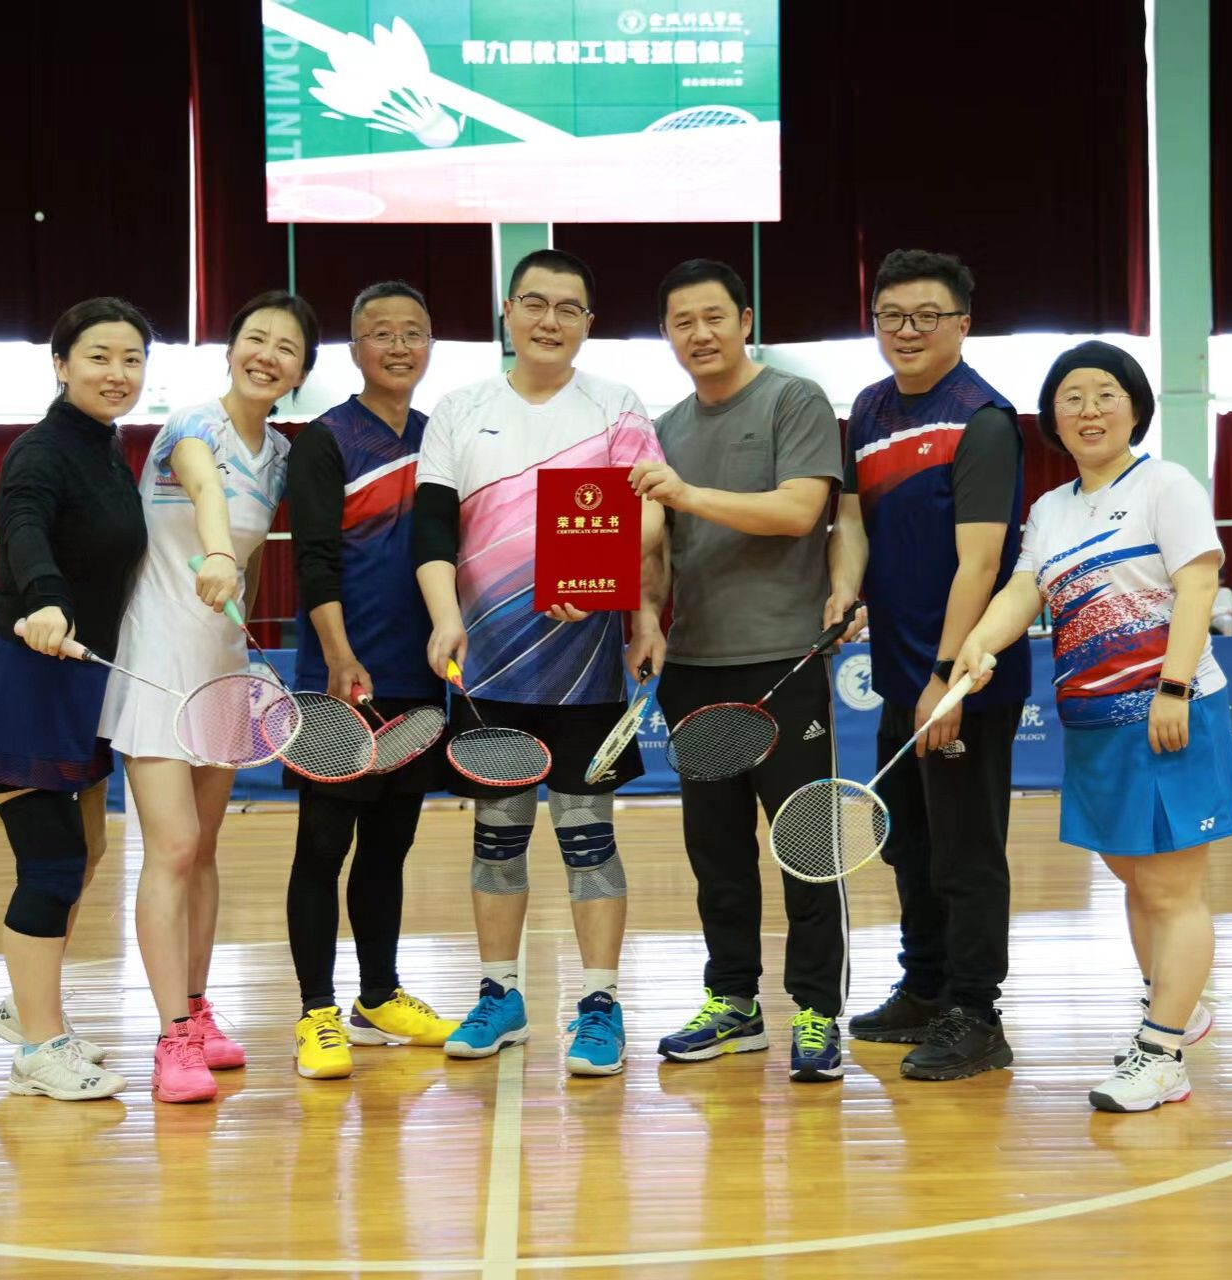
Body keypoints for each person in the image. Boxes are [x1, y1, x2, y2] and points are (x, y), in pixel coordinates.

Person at [951, 340, 1232, 1113]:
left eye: (1105, 394)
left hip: (1168, 714)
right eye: (1071, 397)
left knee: (1172, 888)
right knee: (1135, 877)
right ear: (1052, 418)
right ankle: (1176, 1005)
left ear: (1135, 408)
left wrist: (1174, 687)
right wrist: (980, 643)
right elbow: (1024, 590)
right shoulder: (1050, 510)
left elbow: (1198, 586)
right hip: (1091, 723)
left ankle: (1162, 1052)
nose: (1089, 410)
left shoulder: (1166, 485)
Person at [413, 248, 667, 1078]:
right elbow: (432, 528)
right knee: (497, 837)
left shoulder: (616, 405)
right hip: (489, 670)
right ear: (507, 312)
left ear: (588, 322)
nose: (549, 320)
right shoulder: (460, 410)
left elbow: (654, 515)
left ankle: (599, 1003)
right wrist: (446, 618)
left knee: (588, 836)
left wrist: (615, 591)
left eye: (568, 307)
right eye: (534, 303)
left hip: (586, 667)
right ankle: (501, 994)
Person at [631, 258, 850, 1083]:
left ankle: (818, 1013)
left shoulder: (793, 401)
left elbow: (799, 511)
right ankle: (734, 1004)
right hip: (695, 669)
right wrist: (646, 616)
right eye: (682, 322)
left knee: (805, 848)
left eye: (714, 316)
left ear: (745, 319)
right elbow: (658, 549)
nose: (700, 333)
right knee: (716, 855)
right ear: (666, 334)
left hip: (785, 664)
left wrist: (686, 494)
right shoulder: (663, 428)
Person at [96, 290, 310, 1103]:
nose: (267, 355)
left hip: (221, 659)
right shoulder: (192, 424)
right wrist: (218, 553)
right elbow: (207, 494)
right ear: (230, 349)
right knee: (175, 846)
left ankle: (197, 1006)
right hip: (157, 654)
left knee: (207, 847)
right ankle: (171, 1039)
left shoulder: (280, 454)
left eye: (286, 347)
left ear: (300, 371)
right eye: (256, 338)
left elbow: (253, 553)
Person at [0, 296, 153, 1102]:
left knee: (87, 853)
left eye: (132, 359)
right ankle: (37, 1047)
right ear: (61, 365)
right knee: (52, 861)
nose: (117, 373)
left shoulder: (108, 450)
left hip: (81, 681)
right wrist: (47, 599)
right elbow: (22, 527)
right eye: (99, 356)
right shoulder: (40, 451)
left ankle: (26, 1004)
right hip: (26, 676)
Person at [828, 250, 1029, 1083]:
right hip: (899, 674)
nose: (906, 331)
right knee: (907, 842)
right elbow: (853, 520)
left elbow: (980, 564)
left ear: (962, 324)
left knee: (965, 851)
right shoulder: (870, 409)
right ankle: (925, 986)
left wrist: (947, 678)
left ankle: (976, 1014)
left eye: (926, 316)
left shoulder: (984, 419)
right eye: (891, 316)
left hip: (966, 678)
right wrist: (844, 589)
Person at [283, 280, 457, 1081]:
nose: (398, 346)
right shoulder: (326, 440)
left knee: (390, 847)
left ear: (431, 346)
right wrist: (337, 653)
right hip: (339, 682)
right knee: (323, 847)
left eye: (412, 332)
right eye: (381, 333)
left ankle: (378, 998)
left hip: (418, 681)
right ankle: (317, 1012)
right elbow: (313, 559)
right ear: (355, 349)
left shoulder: (439, 438)